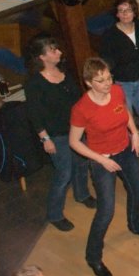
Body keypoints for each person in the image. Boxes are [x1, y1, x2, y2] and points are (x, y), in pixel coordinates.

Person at [70, 57, 139, 276]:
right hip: (102, 159)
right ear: (89, 83)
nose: (107, 84)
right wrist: (100, 159)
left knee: (137, 192)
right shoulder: (82, 108)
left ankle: (135, 225)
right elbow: (75, 142)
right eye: (100, 81)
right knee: (106, 210)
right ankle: (93, 256)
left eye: (108, 78)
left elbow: (124, 111)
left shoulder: (117, 91)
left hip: (125, 151)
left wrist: (135, 133)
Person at [24, 35, 94, 232]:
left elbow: (78, 101)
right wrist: (45, 139)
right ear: (42, 57)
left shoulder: (65, 72)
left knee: (82, 164)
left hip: (76, 129)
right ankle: (54, 214)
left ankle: (82, 194)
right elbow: (34, 115)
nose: (59, 52)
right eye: (53, 50)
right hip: (57, 135)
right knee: (64, 174)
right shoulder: (35, 84)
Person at [100, 0, 139, 156]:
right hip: (122, 83)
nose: (125, 14)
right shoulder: (110, 35)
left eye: (128, 10)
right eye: (121, 11)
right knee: (126, 121)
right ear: (116, 14)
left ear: (134, 12)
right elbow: (107, 61)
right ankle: (131, 154)